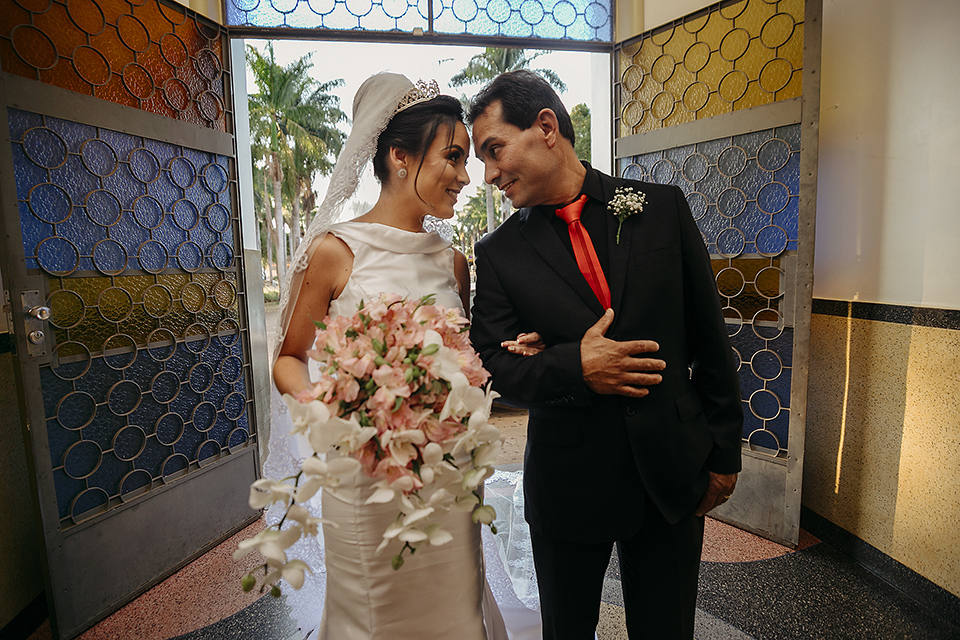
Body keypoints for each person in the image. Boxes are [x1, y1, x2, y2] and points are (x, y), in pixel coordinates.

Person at [467, 70, 744, 639]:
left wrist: (724, 452)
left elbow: (709, 337)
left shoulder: (660, 209)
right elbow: (492, 365)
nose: (489, 175)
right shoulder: (499, 254)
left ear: (546, 127)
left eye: (494, 151)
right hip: (569, 481)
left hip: (670, 467)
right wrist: (576, 365)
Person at [267, 72, 513, 639]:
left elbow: (463, 361)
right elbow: (289, 358)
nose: (466, 176)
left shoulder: (453, 263)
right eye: (453, 157)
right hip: (363, 476)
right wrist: (338, 417)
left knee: (454, 609)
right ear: (400, 156)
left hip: (448, 477)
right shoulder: (336, 251)